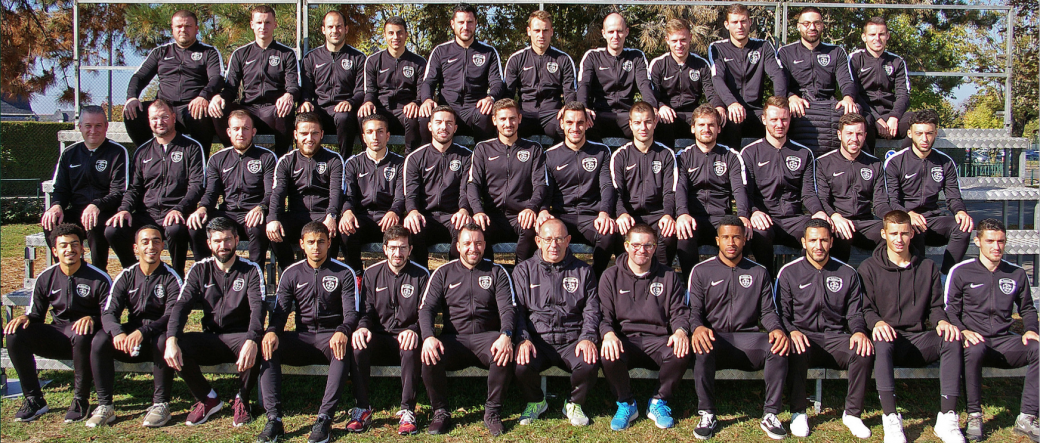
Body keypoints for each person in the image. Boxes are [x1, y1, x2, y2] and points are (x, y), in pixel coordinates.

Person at [163, 217, 282, 442]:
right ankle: (207, 398)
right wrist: (171, 338)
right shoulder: (199, 269)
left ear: (237, 240)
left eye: (228, 240)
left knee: (256, 342)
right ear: (209, 243)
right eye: (217, 241)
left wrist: (251, 339)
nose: (223, 245)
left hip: (240, 338)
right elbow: (181, 306)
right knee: (175, 344)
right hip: (211, 337)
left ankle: (242, 399)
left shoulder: (250, 269)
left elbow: (258, 309)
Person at [858, 210, 964, 443]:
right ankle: (891, 418)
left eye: (904, 233)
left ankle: (947, 417)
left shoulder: (927, 267)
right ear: (883, 234)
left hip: (919, 338)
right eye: (893, 233)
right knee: (882, 340)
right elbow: (865, 309)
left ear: (912, 234)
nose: (899, 239)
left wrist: (942, 321)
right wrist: (877, 323)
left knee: (952, 338)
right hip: (889, 340)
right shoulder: (868, 268)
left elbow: (935, 307)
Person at [688, 216, 789, 440]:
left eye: (736, 237)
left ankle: (771, 414)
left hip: (748, 339)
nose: (731, 242)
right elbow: (694, 311)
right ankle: (707, 414)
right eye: (725, 237)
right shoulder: (701, 271)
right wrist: (698, 327)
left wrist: (776, 328)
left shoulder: (759, 272)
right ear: (717, 240)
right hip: (716, 339)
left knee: (778, 346)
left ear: (745, 240)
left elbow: (768, 311)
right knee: (701, 344)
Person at [776, 219, 875, 439]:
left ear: (831, 241)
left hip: (836, 337)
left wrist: (859, 331)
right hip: (804, 336)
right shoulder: (789, 272)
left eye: (823, 240)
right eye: (813, 240)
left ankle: (853, 414)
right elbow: (781, 313)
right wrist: (791, 331)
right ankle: (798, 412)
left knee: (863, 350)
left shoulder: (847, 272)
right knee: (795, 347)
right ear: (804, 242)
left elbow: (855, 313)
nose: (818, 245)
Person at [6, 224, 112, 424]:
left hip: (87, 340)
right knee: (15, 333)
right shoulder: (46, 277)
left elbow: (110, 316)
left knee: (82, 331)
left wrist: (93, 318)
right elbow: (36, 314)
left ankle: (80, 400)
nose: (69, 249)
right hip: (58, 335)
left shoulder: (99, 278)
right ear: (55, 251)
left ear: (82, 248)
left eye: (74, 244)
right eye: (63, 246)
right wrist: (26, 318)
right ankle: (34, 399)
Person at [946, 218, 1039, 442]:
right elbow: (949, 310)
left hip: (1004, 341)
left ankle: (1027, 417)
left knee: (1038, 348)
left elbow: (1027, 308)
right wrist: (962, 331)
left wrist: (1031, 329)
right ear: (977, 241)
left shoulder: (1016, 273)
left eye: (1001, 241)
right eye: (990, 241)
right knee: (974, 348)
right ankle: (974, 415)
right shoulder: (961, 272)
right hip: (973, 340)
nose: (996, 246)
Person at [419, 224, 516, 436]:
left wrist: (505, 334)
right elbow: (426, 309)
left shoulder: (497, 272)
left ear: (485, 245)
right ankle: (440, 412)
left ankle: (492, 413)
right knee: (429, 355)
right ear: (458, 246)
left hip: (487, 338)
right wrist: (428, 337)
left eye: (478, 243)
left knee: (503, 351)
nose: (473, 248)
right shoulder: (443, 273)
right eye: (468, 243)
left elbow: (508, 309)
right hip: (454, 339)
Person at [265, 221, 358, 443]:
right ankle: (274, 419)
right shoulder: (291, 273)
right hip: (302, 336)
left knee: (342, 347)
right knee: (268, 346)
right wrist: (272, 331)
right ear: (302, 244)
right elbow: (280, 311)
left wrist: (343, 330)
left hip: (330, 337)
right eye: (311, 242)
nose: (316, 247)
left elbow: (351, 313)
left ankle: (324, 419)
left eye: (321, 242)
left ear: (329, 243)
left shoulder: (344, 273)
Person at [598, 223, 689, 431]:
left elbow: (680, 312)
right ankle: (626, 403)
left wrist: (680, 331)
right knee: (608, 352)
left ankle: (658, 401)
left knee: (681, 350)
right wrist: (608, 334)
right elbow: (603, 315)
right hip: (625, 339)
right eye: (636, 245)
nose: (642, 250)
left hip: (659, 339)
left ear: (655, 248)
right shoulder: (610, 276)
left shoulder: (668, 276)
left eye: (648, 245)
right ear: (626, 246)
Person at [512, 219, 600, 427]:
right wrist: (523, 339)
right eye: (548, 239)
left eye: (559, 239)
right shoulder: (524, 271)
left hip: (572, 340)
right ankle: (536, 401)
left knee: (589, 363)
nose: (554, 245)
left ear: (568, 240)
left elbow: (592, 310)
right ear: (538, 241)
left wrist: (587, 337)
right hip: (538, 340)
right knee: (521, 365)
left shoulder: (583, 271)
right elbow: (517, 312)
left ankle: (574, 403)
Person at [105, 99, 207, 277]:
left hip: (178, 213)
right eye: (154, 118)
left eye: (164, 117)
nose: (159, 122)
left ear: (173, 117)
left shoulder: (191, 147)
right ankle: (135, 273)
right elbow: (134, 188)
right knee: (113, 230)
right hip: (147, 214)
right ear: (149, 121)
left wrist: (179, 209)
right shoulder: (142, 151)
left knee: (175, 229)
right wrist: (124, 209)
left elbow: (197, 186)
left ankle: (177, 276)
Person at [95, 225, 182, 428]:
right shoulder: (126, 276)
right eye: (145, 242)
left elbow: (172, 316)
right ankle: (104, 405)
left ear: (163, 246)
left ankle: (160, 404)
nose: (151, 246)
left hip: (157, 336)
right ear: (136, 248)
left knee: (164, 339)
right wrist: (118, 333)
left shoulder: (171, 277)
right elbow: (108, 312)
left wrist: (144, 332)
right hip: (130, 339)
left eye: (156, 241)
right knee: (100, 339)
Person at [350, 225, 429, 436]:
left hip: (407, 336)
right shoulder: (371, 273)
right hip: (379, 335)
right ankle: (362, 408)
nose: (398, 253)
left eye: (403, 248)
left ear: (410, 249)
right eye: (393, 248)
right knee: (358, 345)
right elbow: (365, 310)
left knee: (411, 347)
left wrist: (414, 329)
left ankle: (407, 411)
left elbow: (425, 312)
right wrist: (363, 328)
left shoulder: (421, 275)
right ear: (384, 249)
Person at [740, 95, 826, 277]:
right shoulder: (749, 153)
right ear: (764, 119)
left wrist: (818, 211)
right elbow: (745, 193)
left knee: (817, 231)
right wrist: (754, 211)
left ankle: (804, 282)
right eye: (774, 119)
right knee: (760, 234)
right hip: (765, 218)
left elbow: (808, 193)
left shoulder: (803, 153)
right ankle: (767, 282)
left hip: (794, 219)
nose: (779, 124)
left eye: (784, 119)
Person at [883, 109, 972, 274]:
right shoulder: (895, 162)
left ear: (935, 133)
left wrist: (960, 211)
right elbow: (891, 201)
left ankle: (946, 276)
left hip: (932, 220)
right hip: (907, 221)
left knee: (963, 227)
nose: (924, 139)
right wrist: (907, 214)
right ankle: (920, 278)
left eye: (929, 133)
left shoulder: (945, 162)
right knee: (913, 230)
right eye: (919, 133)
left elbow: (954, 197)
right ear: (910, 133)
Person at [43, 105, 132, 268]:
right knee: (51, 220)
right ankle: (66, 269)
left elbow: (119, 191)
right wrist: (56, 205)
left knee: (94, 222)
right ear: (80, 127)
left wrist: (97, 205)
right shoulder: (69, 153)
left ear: (106, 126)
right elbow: (61, 188)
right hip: (77, 212)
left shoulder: (117, 152)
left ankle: (99, 272)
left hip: (105, 212)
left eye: (98, 125)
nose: (93, 130)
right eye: (88, 126)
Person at [187, 109, 276, 271]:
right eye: (236, 129)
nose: (240, 133)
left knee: (258, 229)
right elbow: (211, 192)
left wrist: (261, 207)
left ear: (253, 132)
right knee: (196, 226)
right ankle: (206, 274)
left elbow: (271, 192)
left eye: (245, 128)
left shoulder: (266, 157)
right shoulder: (217, 159)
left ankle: (254, 276)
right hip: (226, 213)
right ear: (229, 132)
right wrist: (202, 208)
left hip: (252, 214)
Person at [124, 9, 222, 150]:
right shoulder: (160, 52)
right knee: (132, 113)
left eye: (188, 26)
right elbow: (139, 76)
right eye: (179, 26)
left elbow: (216, 78)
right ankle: (148, 154)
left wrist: (203, 97)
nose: (183, 30)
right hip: (163, 106)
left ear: (196, 29)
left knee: (200, 114)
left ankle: (199, 159)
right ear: (172, 28)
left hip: (191, 107)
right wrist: (132, 97)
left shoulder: (209, 52)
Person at [539, 101, 617, 276]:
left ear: (587, 123)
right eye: (569, 122)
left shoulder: (601, 152)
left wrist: (604, 213)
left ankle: (594, 279)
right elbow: (546, 188)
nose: (575, 128)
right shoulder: (550, 155)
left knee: (608, 234)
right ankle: (553, 279)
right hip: (562, 216)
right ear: (562, 124)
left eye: (580, 122)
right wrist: (543, 210)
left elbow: (606, 185)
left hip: (592, 216)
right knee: (541, 232)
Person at [674, 104, 750, 282]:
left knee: (742, 233)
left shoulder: (731, 156)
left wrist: (743, 215)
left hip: (722, 217)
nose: (706, 129)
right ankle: (692, 286)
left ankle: (732, 284)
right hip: (693, 217)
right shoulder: (682, 157)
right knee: (684, 237)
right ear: (693, 128)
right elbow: (680, 188)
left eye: (711, 125)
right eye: (701, 125)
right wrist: (682, 213)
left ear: (719, 128)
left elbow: (739, 189)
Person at [210, 5, 299, 157]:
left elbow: (294, 86)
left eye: (267, 22)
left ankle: (280, 160)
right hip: (248, 109)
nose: (263, 27)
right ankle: (233, 155)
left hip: (274, 110)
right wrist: (219, 97)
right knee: (218, 108)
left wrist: (289, 95)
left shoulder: (287, 54)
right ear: (252, 25)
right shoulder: (240, 54)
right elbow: (230, 88)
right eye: (259, 22)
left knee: (286, 108)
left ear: (275, 25)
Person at [467, 98, 547, 263]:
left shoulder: (534, 149)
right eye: (503, 119)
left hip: (522, 216)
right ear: (494, 120)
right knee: (477, 232)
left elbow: (540, 184)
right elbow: (473, 184)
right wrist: (478, 211)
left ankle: (521, 273)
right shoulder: (483, 149)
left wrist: (531, 208)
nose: (508, 123)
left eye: (512, 118)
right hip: (491, 216)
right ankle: (489, 274)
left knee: (533, 229)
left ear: (519, 118)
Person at [777, 6, 859, 156]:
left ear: (822, 25)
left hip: (827, 103)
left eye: (817, 23)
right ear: (798, 26)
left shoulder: (836, 52)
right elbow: (780, 84)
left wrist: (848, 98)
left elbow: (847, 81)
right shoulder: (785, 52)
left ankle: (862, 163)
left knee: (857, 112)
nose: (812, 27)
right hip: (799, 103)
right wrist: (791, 97)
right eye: (806, 23)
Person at [267, 112, 344, 270]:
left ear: (321, 134)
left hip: (323, 215)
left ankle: (326, 274)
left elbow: (336, 192)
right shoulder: (286, 161)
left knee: (334, 229)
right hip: (296, 215)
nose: (309, 138)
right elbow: (278, 193)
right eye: (304, 133)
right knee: (274, 229)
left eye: (314, 133)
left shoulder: (334, 160)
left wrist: (331, 215)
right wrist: (273, 218)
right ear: (295, 134)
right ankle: (290, 273)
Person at [419, 3, 503, 143]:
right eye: (461, 22)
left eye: (470, 22)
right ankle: (427, 156)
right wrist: (427, 99)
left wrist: (491, 98)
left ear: (476, 23)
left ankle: (483, 156)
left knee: (486, 115)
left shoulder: (489, 52)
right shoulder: (440, 51)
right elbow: (428, 81)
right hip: (447, 108)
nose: (465, 27)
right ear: (452, 24)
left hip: (476, 109)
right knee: (424, 117)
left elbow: (497, 82)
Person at [402, 105, 473, 268]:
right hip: (425, 217)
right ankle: (421, 276)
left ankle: (455, 276)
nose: (443, 127)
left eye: (449, 123)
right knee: (412, 229)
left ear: (455, 128)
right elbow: (411, 192)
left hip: (454, 217)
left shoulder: (467, 157)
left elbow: (466, 190)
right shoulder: (415, 158)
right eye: (439, 122)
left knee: (465, 232)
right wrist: (412, 211)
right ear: (430, 126)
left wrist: (464, 210)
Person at [709, 3, 787, 149]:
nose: (740, 26)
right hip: (731, 108)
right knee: (729, 120)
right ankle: (731, 160)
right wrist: (731, 103)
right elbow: (717, 78)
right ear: (727, 25)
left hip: (756, 109)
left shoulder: (764, 46)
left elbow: (777, 74)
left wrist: (779, 104)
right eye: (735, 22)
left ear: (750, 22)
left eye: (743, 21)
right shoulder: (717, 48)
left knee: (780, 119)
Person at [610, 101, 678, 267]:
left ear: (655, 122)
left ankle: (663, 276)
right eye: (638, 122)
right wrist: (621, 213)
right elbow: (616, 191)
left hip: (658, 215)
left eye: (648, 122)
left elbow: (670, 191)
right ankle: (626, 276)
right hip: (630, 216)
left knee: (668, 235)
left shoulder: (666, 154)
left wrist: (668, 214)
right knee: (618, 232)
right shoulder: (620, 155)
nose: (643, 127)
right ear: (630, 124)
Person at [814, 113, 888, 262]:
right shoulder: (823, 163)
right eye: (849, 133)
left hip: (865, 223)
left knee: (894, 232)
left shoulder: (875, 164)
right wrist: (834, 216)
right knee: (835, 235)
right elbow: (821, 199)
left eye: (859, 134)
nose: (854, 138)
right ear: (839, 134)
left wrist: (892, 219)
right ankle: (839, 274)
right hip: (837, 222)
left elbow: (880, 203)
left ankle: (878, 273)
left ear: (865, 136)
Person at [338, 114, 405, 271]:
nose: (375, 137)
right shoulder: (353, 163)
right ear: (363, 137)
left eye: (380, 131)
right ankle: (357, 274)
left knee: (406, 235)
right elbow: (348, 194)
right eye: (370, 132)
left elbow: (401, 195)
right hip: (362, 218)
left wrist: (394, 211)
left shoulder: (400, 163)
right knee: (346, 230)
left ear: (387, 136)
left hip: (390, 217)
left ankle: (398, 276)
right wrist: (347, 211)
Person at [577, 12, 657, 140]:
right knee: (582, 124)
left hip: (628, 116)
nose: (615, 36)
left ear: (626, 32)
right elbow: (584, 85)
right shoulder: (592, 56)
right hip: (599, 115)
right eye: (611, 32)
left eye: (619, 31)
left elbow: (644, 84)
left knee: (653, 124)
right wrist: (583, 108)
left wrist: (651, 108)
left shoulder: (636, 57)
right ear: (604, 33)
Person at [649, 19, 725, 148]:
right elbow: (652, 94)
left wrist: (719, 107)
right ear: (667, 40)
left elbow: (711, 92)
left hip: (693, 114)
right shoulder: (658, 64)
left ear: (690, 37)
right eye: (674, 41)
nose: (679, 45)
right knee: (659, 122)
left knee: (718, 120)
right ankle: (665, 158)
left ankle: (716, 158)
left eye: (683, 40)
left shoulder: (701, 64)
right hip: (667, 114)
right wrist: (661, 106)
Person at [300, 10, 367, 157]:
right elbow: (305, 89)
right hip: (320, 110)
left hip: (345, 112)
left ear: (346, 29)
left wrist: (350, 102)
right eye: (330, 27)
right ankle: (309, 163)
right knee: (304, 117)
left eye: (339, 26)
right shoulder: (311, 58)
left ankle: (345, 162)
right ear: (323, 30)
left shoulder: (358, 58)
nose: (335, 31)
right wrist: (305, 101)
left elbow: (362, 90)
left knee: (344, 117)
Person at [503, 10, 576, 143]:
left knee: (567, 128)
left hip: (553, 113)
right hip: (525, 113)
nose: (541, 35)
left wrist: (568, 108)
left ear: (551, 32)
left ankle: (557, 157)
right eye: (537, 30)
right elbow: (507, 93)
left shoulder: (563, 59)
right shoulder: (516, 59)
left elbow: (570, 92)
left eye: (545, 30)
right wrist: (511, 115)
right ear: (529, 31)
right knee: (506, 128)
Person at [358, 16, 426, 154]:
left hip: (405, 111)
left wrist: (416, 103)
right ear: (385, 35)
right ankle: (368, 158)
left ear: (406, 35)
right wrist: (368, 102)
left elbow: (422, 91)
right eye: (391, 33)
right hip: (381, 110)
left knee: (415, 118)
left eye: (399, 33)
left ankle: (411, 160)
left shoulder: (419, 62)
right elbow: (370, 90)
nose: (395, 37)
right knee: (363, 115)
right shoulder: (373, 61)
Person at [849, 17, 912, 154]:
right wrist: (876, 118)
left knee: (919, 121)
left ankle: (898, 161)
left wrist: (894, 117)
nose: (877, 38)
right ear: (864, 37)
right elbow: (853, 93)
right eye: (872, 34)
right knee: (861, 121)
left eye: (881, 34)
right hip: (867, 115)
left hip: (891, 118)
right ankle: (870, 163)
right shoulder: (854, 59)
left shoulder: (897, 61)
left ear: (887, 36)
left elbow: (904, 94)